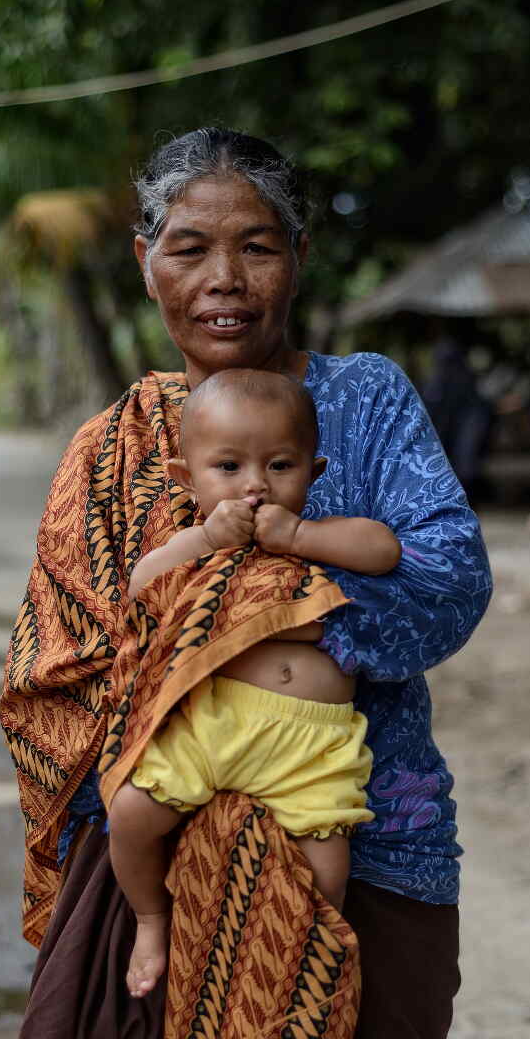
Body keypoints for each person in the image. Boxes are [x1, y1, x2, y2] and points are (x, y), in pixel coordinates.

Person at [0, 127, 491, 1039]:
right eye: (188, 248)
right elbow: (52, 669)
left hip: (369, 840)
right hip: (153, 860)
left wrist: (278, 620)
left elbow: (449, 583)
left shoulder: (364, 401)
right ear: (145, 265)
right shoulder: (111, 448)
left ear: (298, 258)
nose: (224, 278)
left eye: (257, 247)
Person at [107, 368, 400, 999]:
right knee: (130, 814)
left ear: (312, 473)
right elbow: (140, 589)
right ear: (188, 479)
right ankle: (150, 919)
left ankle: (305, 962)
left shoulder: (322, 537)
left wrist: (299, 536)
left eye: (280, 465)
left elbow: (384, 551)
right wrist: (209, 539)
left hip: (312, 745)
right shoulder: (199, 542)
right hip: (216, 724)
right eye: (229, 467)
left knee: (329, 872)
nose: (256, 486)